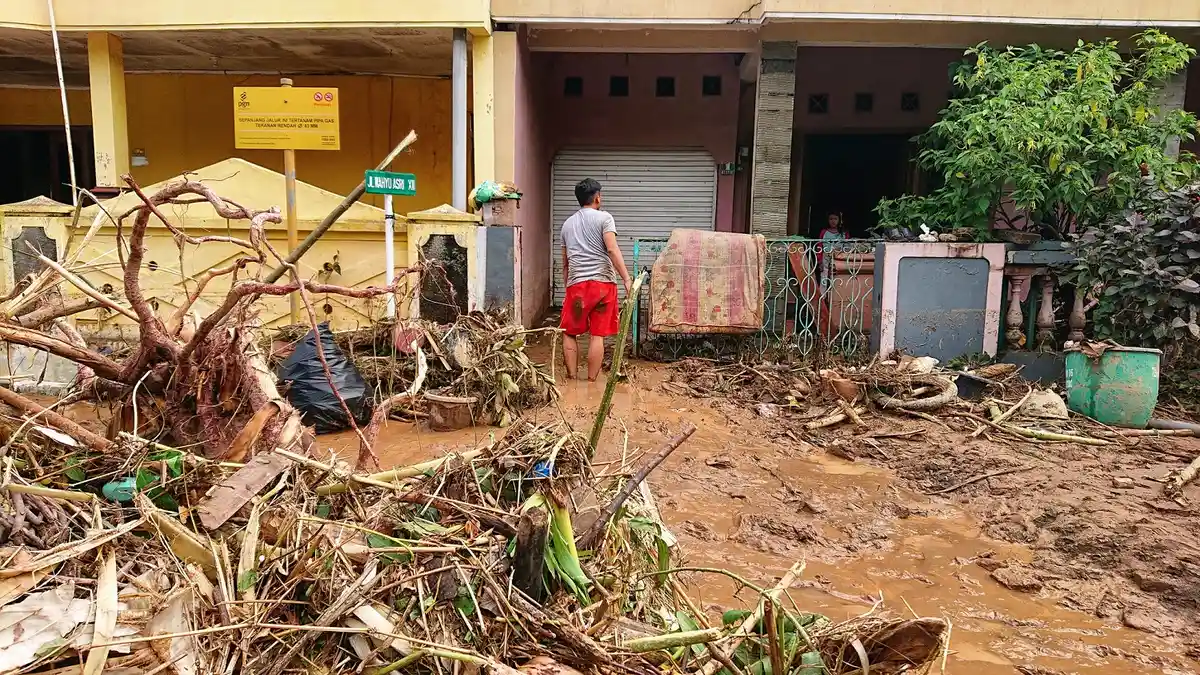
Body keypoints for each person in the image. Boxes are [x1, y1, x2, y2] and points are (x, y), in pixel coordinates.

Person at [560, 178, 632, 381]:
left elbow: (565, 263)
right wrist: (626, 278)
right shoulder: (605, 218)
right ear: (597, 197)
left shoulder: (567, 225)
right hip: (603, 283)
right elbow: (612, 249)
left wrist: (568, 288)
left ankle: (572, 379)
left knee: (569, 332)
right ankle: (592, 382)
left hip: (577, 284)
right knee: (597, 334)